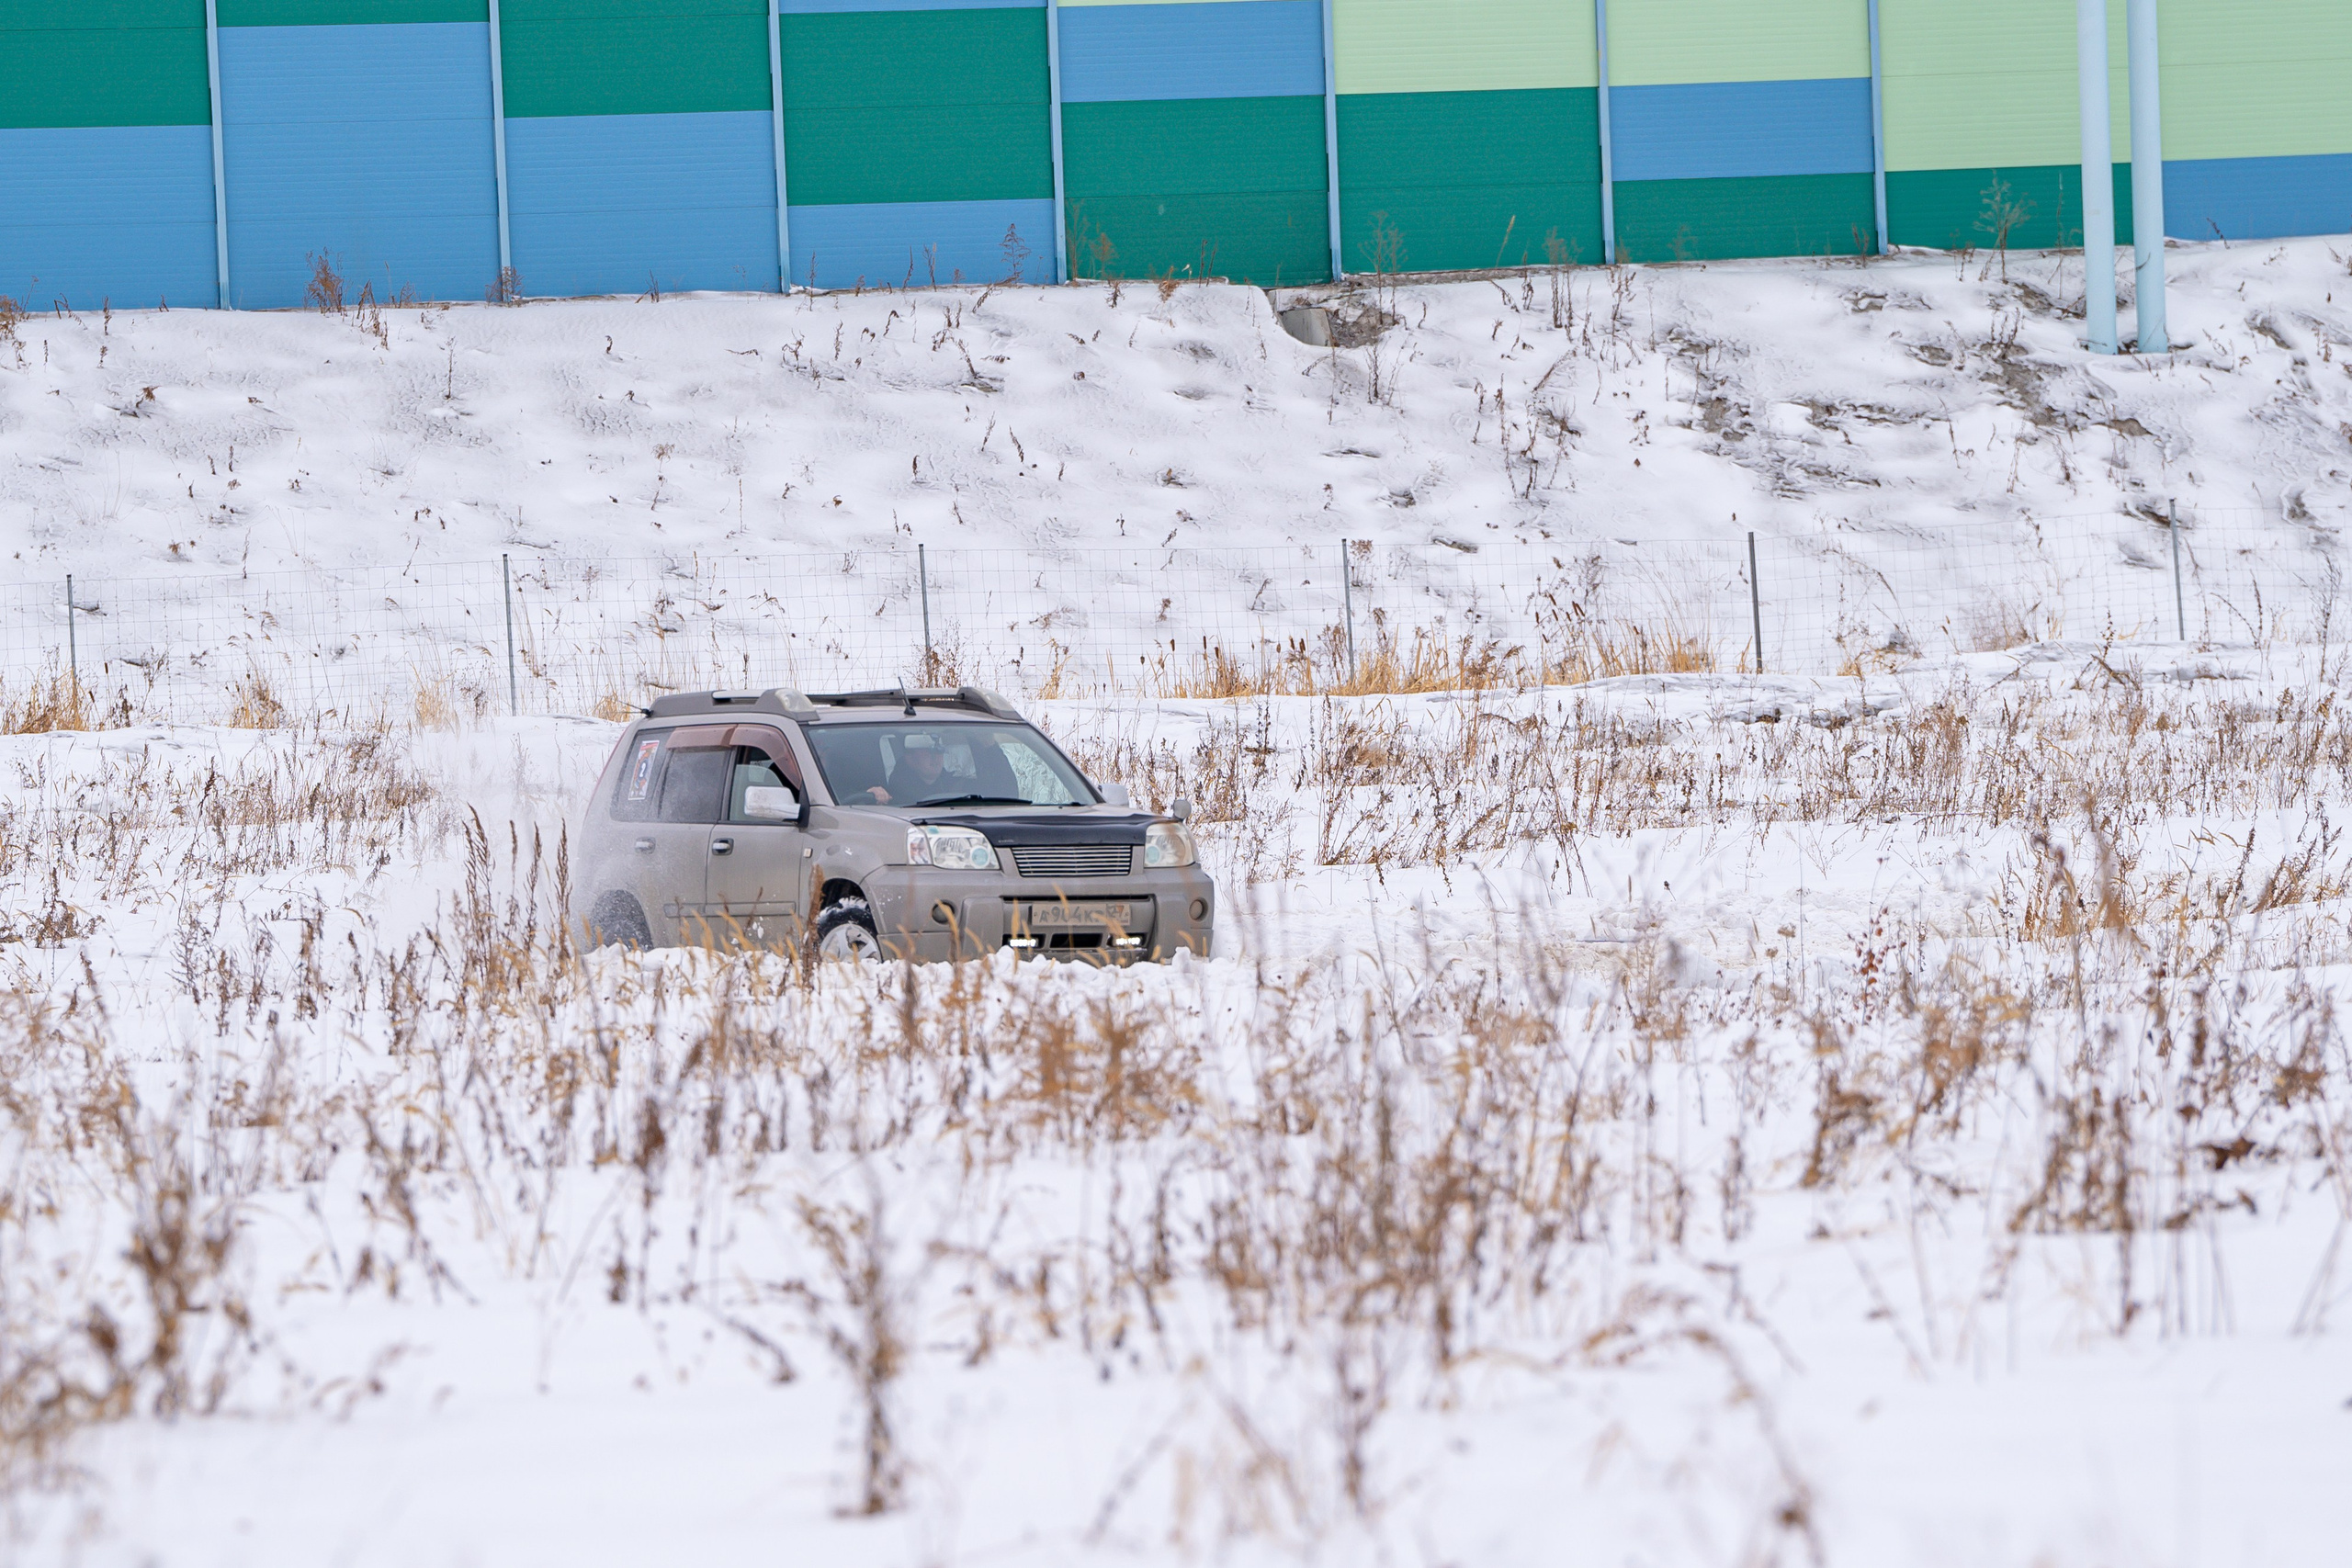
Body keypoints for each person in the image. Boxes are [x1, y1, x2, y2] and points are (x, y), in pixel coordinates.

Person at [865, 732, 947, 803]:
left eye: (939, 751)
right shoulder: (893, 793)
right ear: (910, 758)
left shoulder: (953, 786)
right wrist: (875, 795)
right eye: (928, 752)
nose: (935, 757)